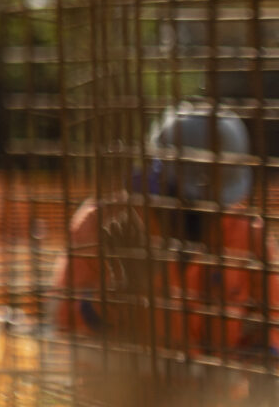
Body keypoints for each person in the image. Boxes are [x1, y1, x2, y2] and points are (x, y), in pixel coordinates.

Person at [53, 102, 278, 367]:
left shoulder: (247, 233)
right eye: (192, 201)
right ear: (157, 174)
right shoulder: (102, 225)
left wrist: (261, 359)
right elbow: (64, 327)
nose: (206, 214)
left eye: (216, 203)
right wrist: (116, 296)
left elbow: (272, 328)